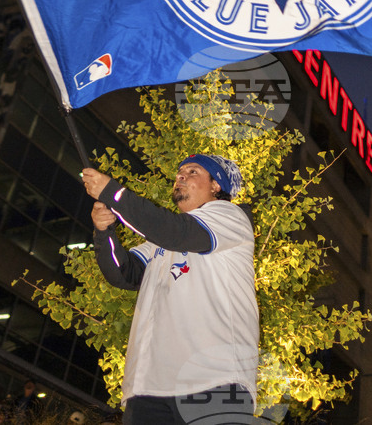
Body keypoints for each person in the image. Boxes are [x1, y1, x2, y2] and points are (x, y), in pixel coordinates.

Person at [82, 154, 258, 425]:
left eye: (193, 171)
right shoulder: (161, 244)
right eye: (179, 172)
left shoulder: (230, 217)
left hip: (215, 381)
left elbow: (174, 231)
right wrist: (104, 231)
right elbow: (123, 273)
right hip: (148, 389)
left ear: (216, 186)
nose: (181, 176)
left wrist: (112, 193)